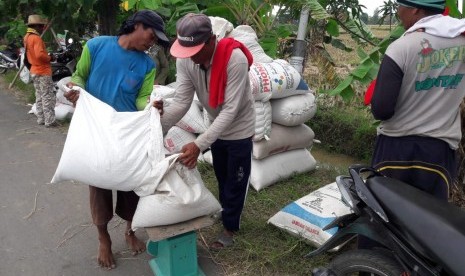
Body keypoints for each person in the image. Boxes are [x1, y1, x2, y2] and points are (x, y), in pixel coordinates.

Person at [64, 10, 169, 269]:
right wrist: (75, 90)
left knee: (131, 185)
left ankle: (130, 231)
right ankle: (103, 238)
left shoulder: (147, 65)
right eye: (152, 35)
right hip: (97, 131)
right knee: (98, 186)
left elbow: (140, 99)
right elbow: (79, 77)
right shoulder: (96, 46)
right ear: (138, 25)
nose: (153, 42)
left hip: (127, 134)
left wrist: (152, 105)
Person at [154, 13, 255, 250]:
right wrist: (157, 126)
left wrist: (199, 143)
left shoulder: (235, 60)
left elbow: (230, 111)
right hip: (216, 128)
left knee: (236, 181)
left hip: (239, 130)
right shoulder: (187, 60)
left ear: (211, 40)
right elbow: (181, 102)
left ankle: (230, 228)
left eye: (196, 51)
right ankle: (226, 211)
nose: (192, 57)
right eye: (187, 51)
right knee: (221, 176)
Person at [370, 0, 465, 201]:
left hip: (396, 148)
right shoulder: (462, 41)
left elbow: (382, 109)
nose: (398, 12)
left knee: (384, 216)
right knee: (429, 221)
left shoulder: (402, 46)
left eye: (399, 6)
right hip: (439, 152)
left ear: (414, 9)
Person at [24, 14, 58, 127]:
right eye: (41, 26)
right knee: (47, 96)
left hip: (34, 70)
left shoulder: (27, 37)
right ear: (36, 26)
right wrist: (50, 58)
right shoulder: (36, 38)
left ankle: (41, 119)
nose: (43, 28)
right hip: (43, 70)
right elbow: (39, 55)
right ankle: (50, 121)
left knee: (39, 96)